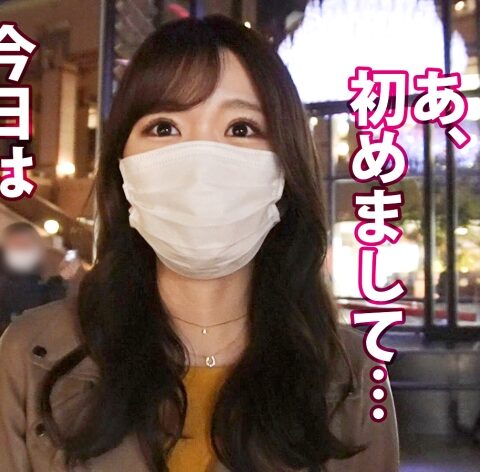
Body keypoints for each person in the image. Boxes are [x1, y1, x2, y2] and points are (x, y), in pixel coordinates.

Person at [0, 16, 400, 472]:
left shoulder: (352, 375)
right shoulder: (33, 355)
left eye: (241, 128)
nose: (200, 164)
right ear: (122, 166)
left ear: (284, 168)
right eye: (164, 127)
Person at [0, 222, 82, 336]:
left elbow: (45, 312)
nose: (23, 250)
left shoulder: (36, 282)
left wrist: (61, 279)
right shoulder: (6, 282)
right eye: (18, 245)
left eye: (28, 245)